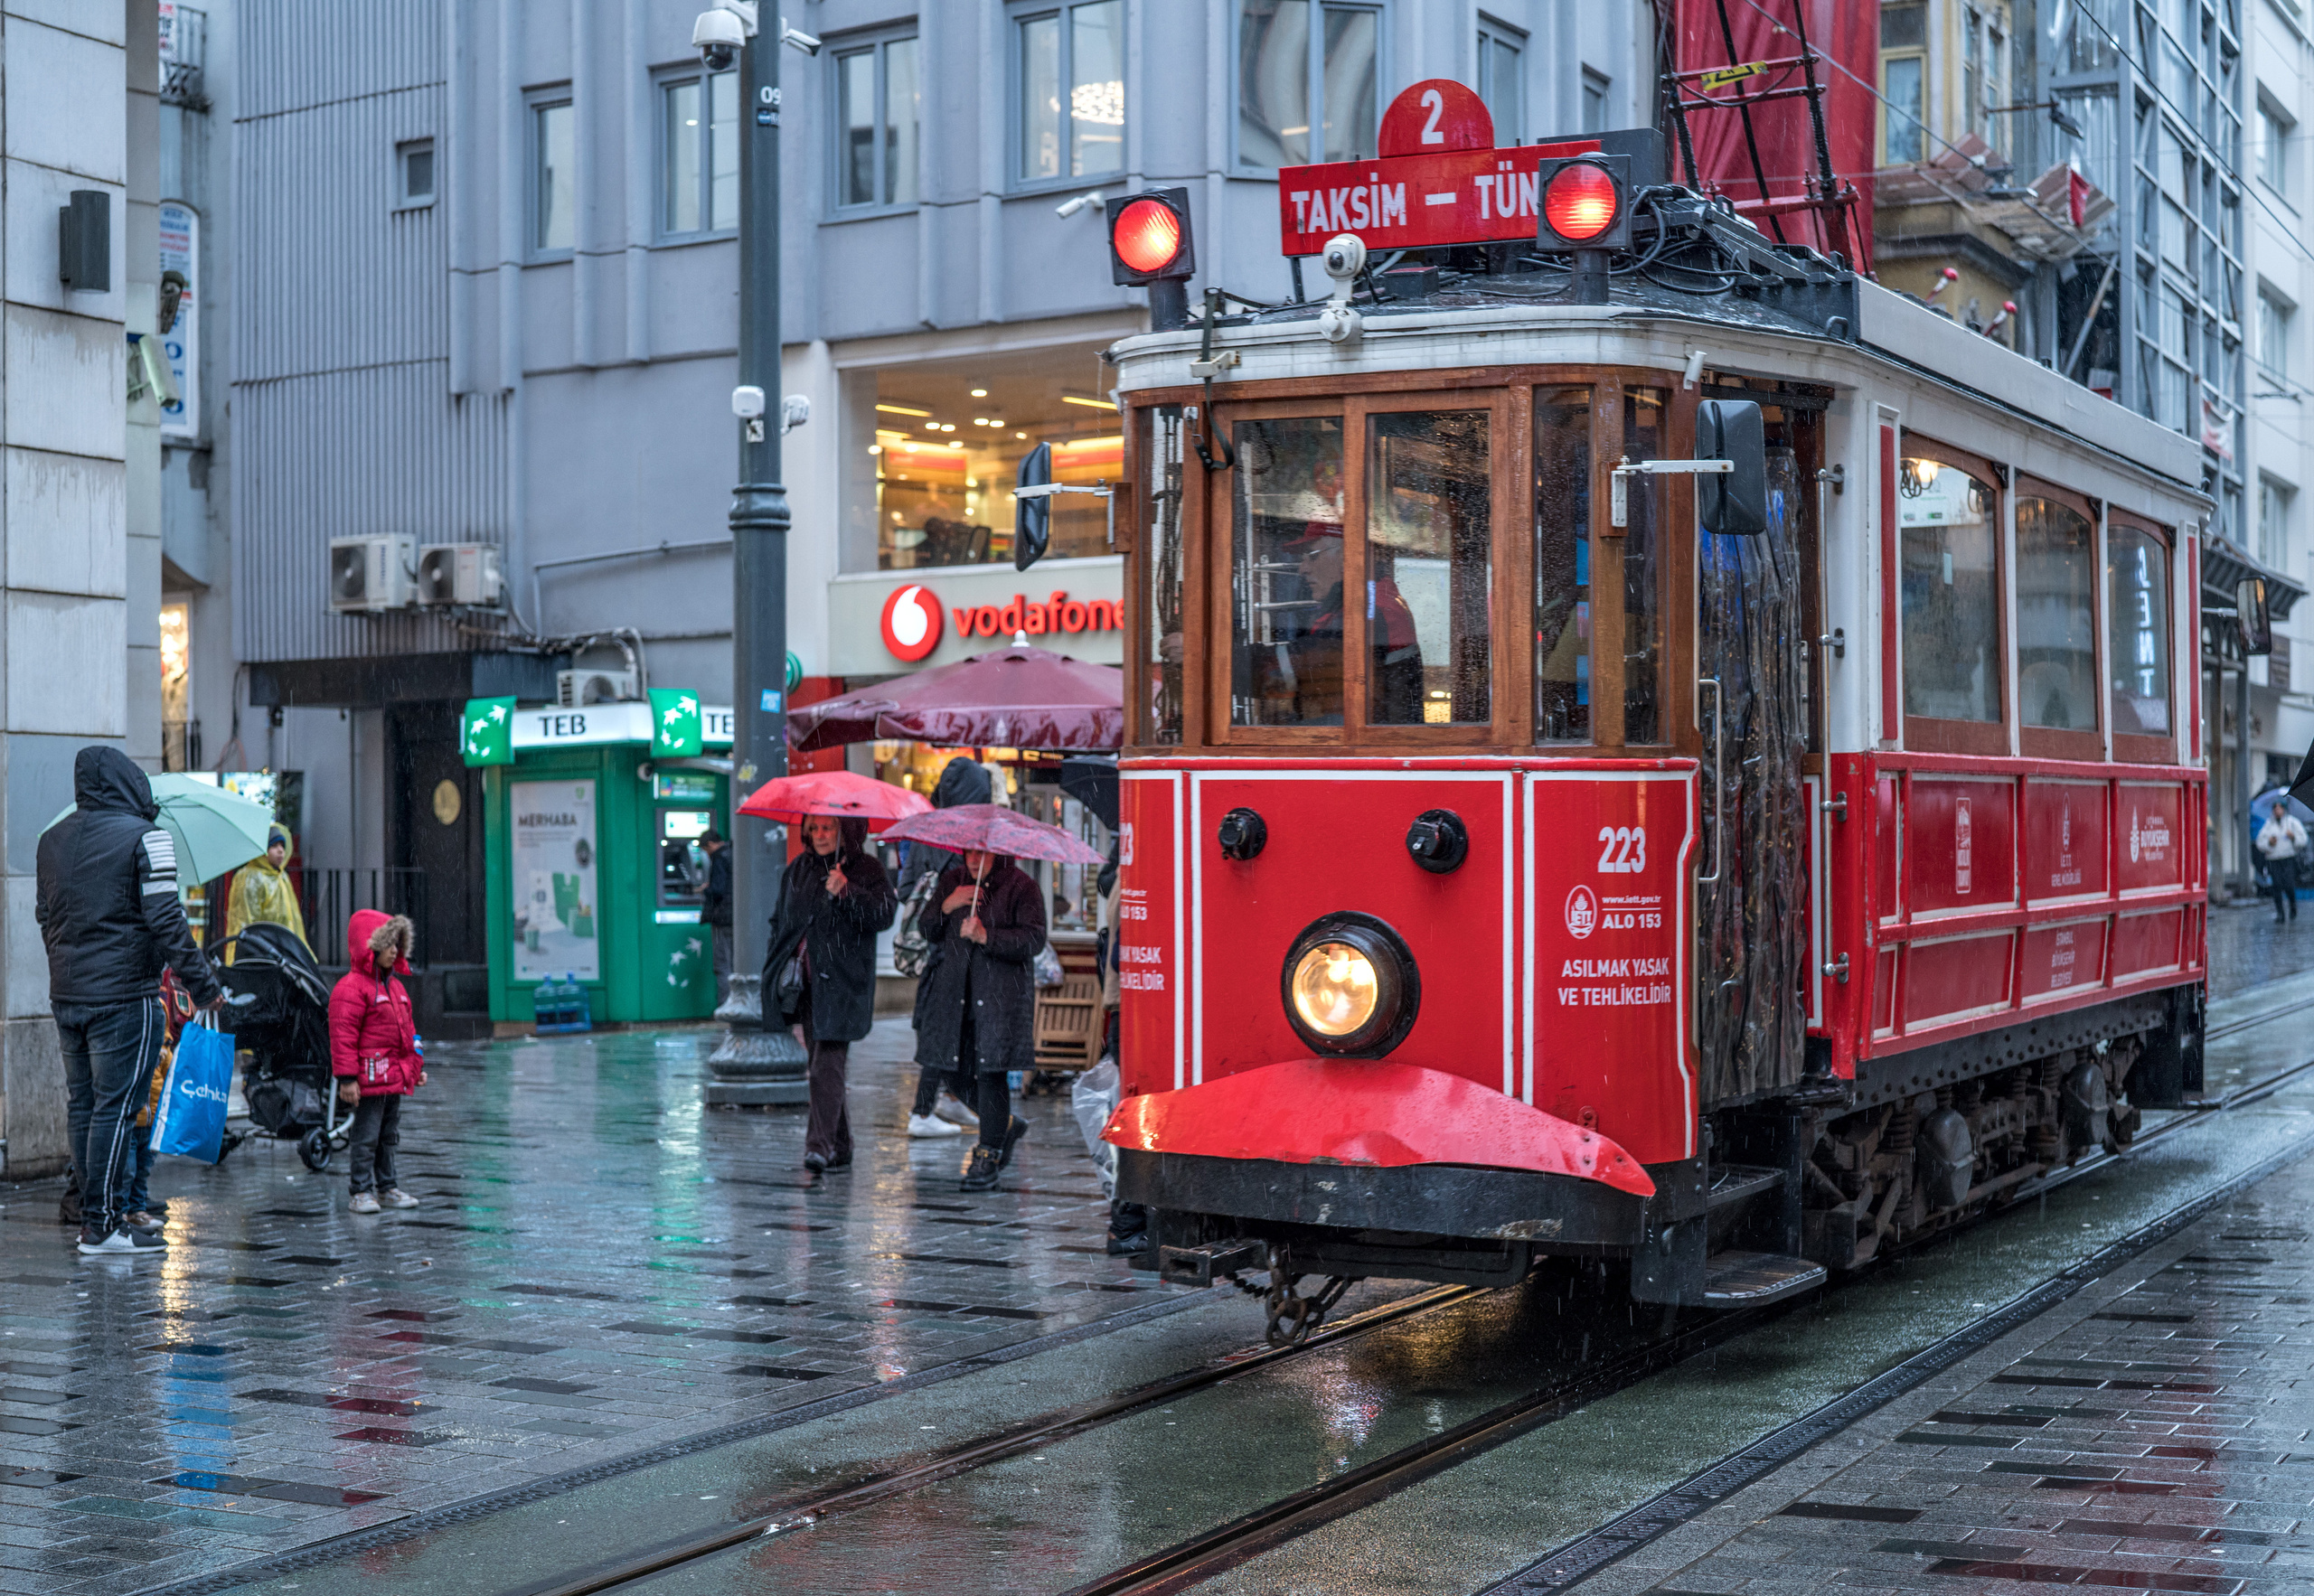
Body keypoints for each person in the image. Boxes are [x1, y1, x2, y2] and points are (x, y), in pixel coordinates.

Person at [36, 746, 223, 1255]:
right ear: (130, 783)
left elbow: (43, 915)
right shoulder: (148, 838)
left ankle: (94, 1219)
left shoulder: (51, 841)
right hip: (124, 997)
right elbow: (167, 921)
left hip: (68, 995)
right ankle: (104, 1224)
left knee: (85, 1106)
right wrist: (204, 987)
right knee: (117, 1110)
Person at [767, 813, 898, 1173]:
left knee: (827, 1061)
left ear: (844, 830)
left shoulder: (866, 868)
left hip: (843, 982)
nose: (821, 835)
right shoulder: (799, 869)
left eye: (829, 827)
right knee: (820, 1061)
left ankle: (818, 1146)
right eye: (815, 828)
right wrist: (775, 962)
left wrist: (847, 892)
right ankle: (841, 1143)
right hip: (805, 983)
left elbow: (883, 915)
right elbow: (781, 920)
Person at [916, 848, 1041, 1191]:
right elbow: (927, 929)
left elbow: (1034, 938)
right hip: (954, 994)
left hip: (999, 996)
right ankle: (1005, 1126)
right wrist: (947, 905)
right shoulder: (953, 881)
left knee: (990, 1072)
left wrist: (987, 936)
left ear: (998, 854)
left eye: (982, 854)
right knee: (948, 1070)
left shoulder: (1021, 886)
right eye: (969, 852)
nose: (973, 860)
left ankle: (988, 1154)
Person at [902, 757, 989, 1139]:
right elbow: (915, 896)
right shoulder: (954, 840)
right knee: (942, 1032)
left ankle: (952, 1096)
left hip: (957, 952)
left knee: (960, 1030)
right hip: (946, 952)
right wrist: (946, 897)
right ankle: (921, 1112)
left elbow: (905, 890)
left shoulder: (929, 835)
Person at [328, 910, 426, 1213]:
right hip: (369, 1079)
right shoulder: (351, 989)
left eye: (397, 944)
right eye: (387, 944)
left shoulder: (395, 988)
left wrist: (415, 1068)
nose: (394, 950)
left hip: (392, 1077)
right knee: (366, 1136)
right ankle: (360, 1191)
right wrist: (347, 1079)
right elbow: (343, 1037)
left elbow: (407, 1033)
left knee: (388, 1135)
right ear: (369, 947)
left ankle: (387, 1186)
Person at [224, 822, 307, 959]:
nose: (280, 850)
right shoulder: (250, 877)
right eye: (274, 846)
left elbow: (293, 919)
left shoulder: (282, 877)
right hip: (262, 952)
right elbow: (245, 920)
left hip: (283, 951)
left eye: (282, 846)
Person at [2257, 803, 2308, 925]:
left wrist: (2293, 837)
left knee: (2289, 885)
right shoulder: (2268, 825)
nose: (2277, 811)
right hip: (2274, 860)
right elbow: (2260, 843)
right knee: (2277, 886)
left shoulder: (2292, 823)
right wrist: (2269, 843)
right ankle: (2280, 913)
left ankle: (2292, 906)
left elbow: (2303, 840)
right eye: (2275, 808)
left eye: (2279, 808)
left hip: (2288, 858)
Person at [700, 830, 733, 1004]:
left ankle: (725, 1005)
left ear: (711, 845)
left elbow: (718, 890)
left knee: (722, 964)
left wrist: (705, 889)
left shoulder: (719, 858)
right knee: (733, 963)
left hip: (721, 918)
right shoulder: (734, 852)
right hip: (734, 917)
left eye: (705, 850)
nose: (706, 854)